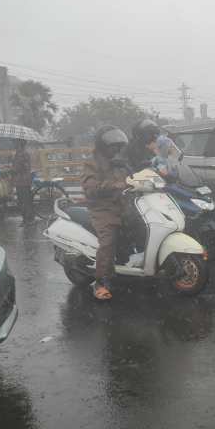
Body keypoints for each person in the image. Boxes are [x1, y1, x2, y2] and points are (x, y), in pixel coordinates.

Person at [81, 126, 131, 301]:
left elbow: (131, 177)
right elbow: (90, 189)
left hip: (121, 205)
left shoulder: (118, 161)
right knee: (108, 241)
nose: (116, 150)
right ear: (103, 146)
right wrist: (113, 185)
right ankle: (100, 282)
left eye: (118, 147)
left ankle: (126, 267)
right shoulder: (92, 163)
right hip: (102, 208)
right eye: (113, 147)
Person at [11, 139, 34, 225]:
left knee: (23, 200)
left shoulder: (21, 154)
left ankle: (27, 220)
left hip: (22, 180)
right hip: (24, 180)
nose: (13, 144)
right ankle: (29, 219)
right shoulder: (21, 153)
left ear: (19, 144)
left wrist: (11, 169)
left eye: (15, 142)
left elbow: (18, 168)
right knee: (26, 200)